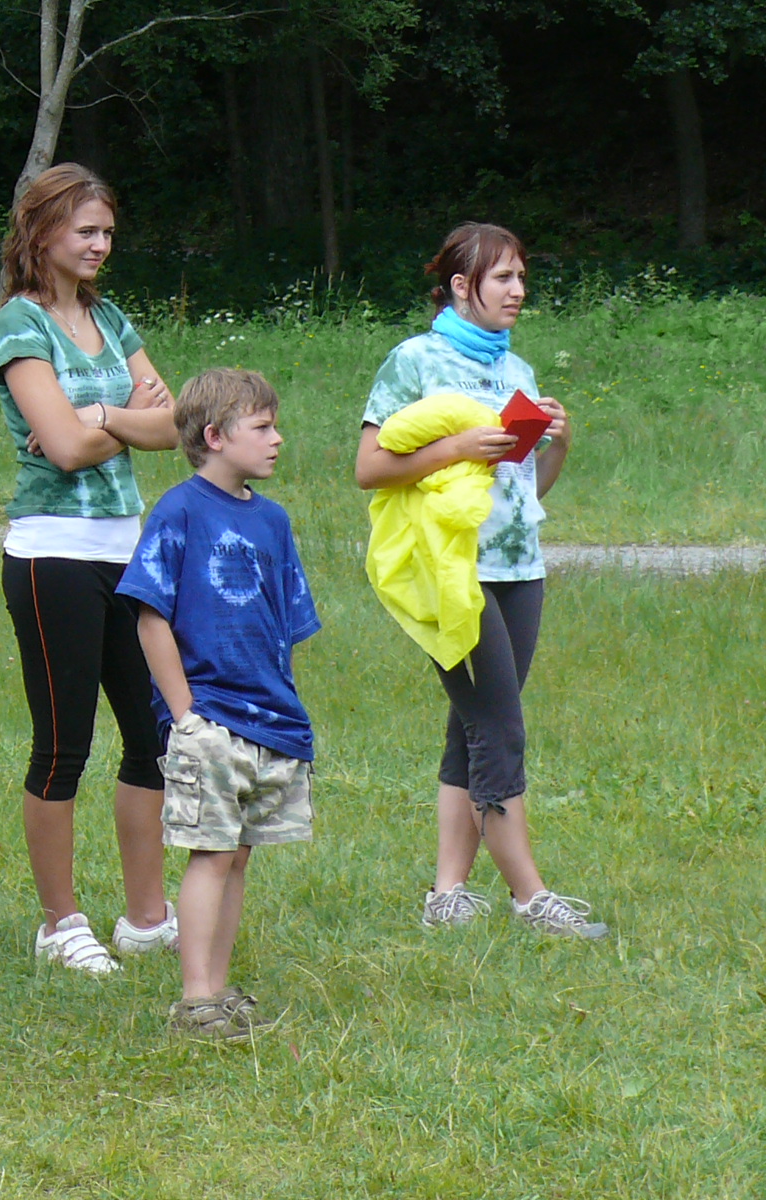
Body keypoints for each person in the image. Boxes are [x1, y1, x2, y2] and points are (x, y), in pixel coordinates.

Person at [355, 221, 606, 938]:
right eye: (503, 278)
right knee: (499, 726)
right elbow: (369, 468)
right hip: (450, 570)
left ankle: (447, 895)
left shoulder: (518, 369)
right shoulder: (415, 361)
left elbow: (526, 490)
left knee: (474, 726)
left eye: (522, 276)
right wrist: (458, 446)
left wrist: (558, 446)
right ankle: (531, 897)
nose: (518, 290)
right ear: (462, 286)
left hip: (520, 567)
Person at [0, 163, 180, 974]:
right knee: (64, 745)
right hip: (52, 557)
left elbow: (176, 427)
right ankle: (60, 924)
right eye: (85, 231)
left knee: (153, 738)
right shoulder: (19, 326)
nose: (101, 245)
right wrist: (126, 420)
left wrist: (99, 412)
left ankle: (146, 916)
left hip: (126, 551)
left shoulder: (113, 317)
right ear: (42, 232)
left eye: (107, 232)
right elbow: (61, 450)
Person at [118, 369, 319, 1039]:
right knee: (209, 853)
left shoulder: (273, 520)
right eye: (262, 427)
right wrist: (185, 716)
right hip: (208, 719)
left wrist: (287, 712)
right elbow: (151, 617)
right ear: (214, 437)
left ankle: (219, 988)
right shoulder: (179, 511)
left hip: (270, 723)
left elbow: (284, 626)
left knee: (238, 855)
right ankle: (194, 998)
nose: (277, 438)